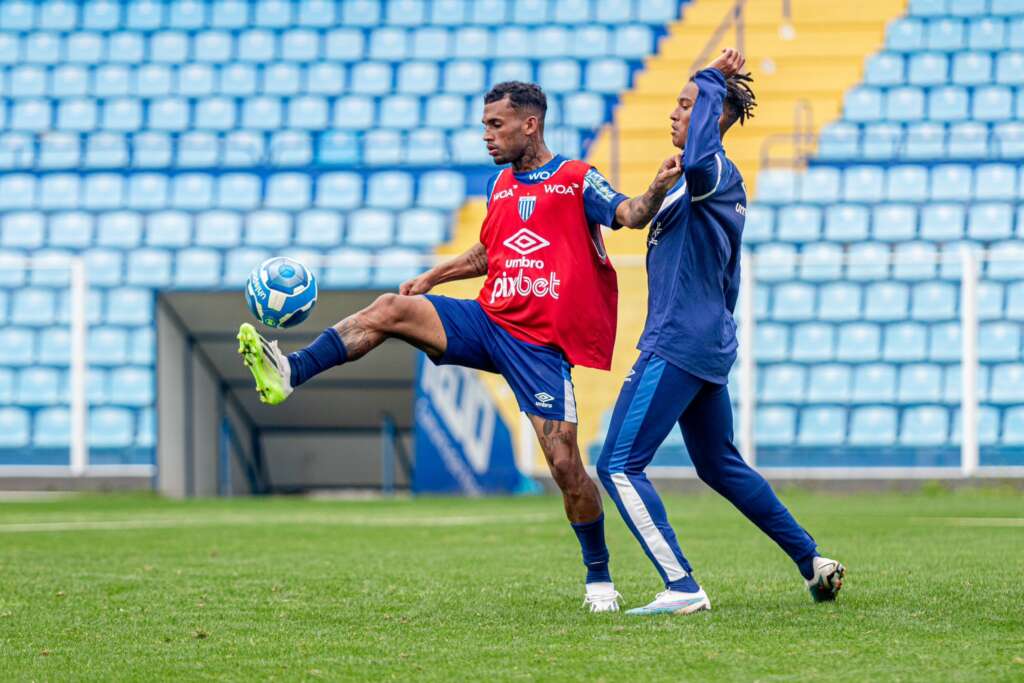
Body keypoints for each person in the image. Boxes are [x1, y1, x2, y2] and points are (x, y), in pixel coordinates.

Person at [237, 81, 682, 613]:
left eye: (496, 126)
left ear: (530, 124)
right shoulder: (501, 186)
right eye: (485, 127)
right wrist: (434, 276)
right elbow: (487, 254)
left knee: (565, 464)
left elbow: (630, 214)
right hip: (488, 320)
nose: (487, 136)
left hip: (539, 348)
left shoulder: (574, 180)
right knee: (389, 308)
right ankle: (291, 370)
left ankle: (599, 578)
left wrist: (656, 188)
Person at [595, 49, 845, 616]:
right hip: (705, 342)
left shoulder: (711, 173)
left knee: (617, 464)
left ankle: (681, 587)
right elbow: (725, 274)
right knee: (718, 463)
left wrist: (711, 76)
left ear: (716, 116)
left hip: (679, 340)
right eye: (678, 104)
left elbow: (703, 149)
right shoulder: (709, 185)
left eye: (688, 106)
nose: (675, 115)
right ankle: (812, 560)